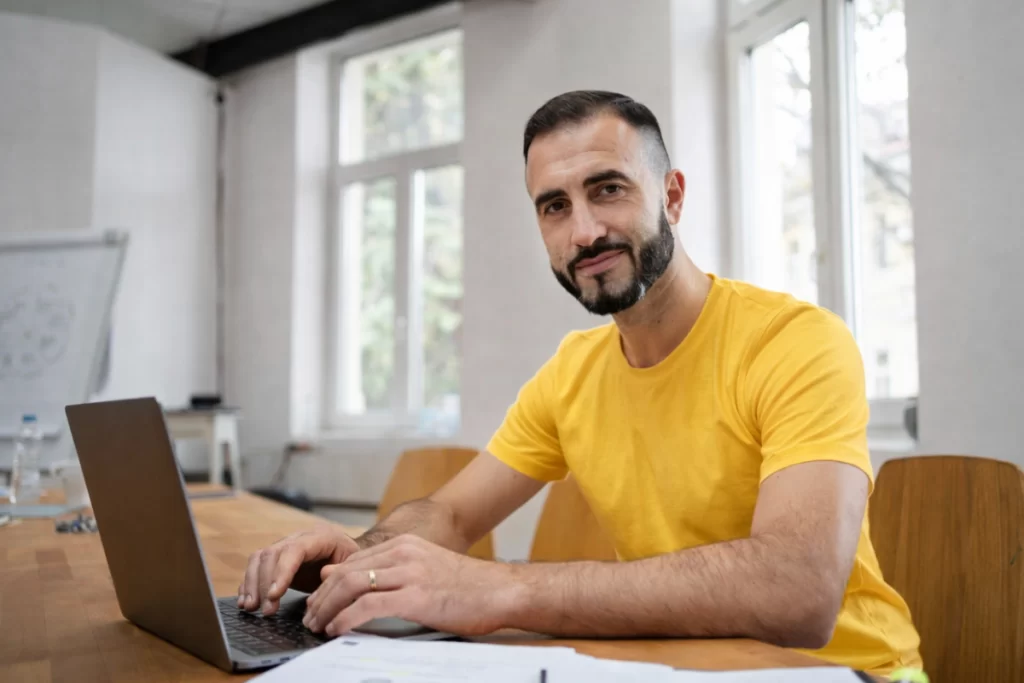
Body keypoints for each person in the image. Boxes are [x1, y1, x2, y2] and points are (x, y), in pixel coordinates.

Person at [239, 91, 921, 674]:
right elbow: (452, 515)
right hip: (681, 667)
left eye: (608, 189)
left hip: (851, 672)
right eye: (554, 206)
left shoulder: (794, 342)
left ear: (672, 196)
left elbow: (799, 591)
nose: (585, 232)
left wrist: (499, 588)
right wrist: (358, 557)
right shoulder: (572, 372)